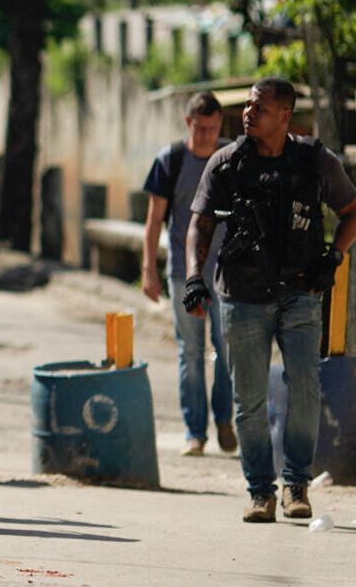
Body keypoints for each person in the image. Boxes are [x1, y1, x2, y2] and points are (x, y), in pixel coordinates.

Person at [185, 77, 356, 523]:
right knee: (248, 399)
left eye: (259, 108)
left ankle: (296, 484)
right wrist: (193, 276)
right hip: (241, 298)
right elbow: (200, 225)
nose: (248, 113)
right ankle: (260, 492)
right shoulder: (227, 163)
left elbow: (353, 212)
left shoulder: (315, 161)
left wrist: (334, 258)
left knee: (304, 388)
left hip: (301, 293)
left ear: (284, 116)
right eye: (247, 105)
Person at [141, 92, 235, 456]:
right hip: (184, 272)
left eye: (213, 129)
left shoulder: (231, 158)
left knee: (227, 351)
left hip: (227, 274)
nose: (207, 136)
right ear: (188, 123)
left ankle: (225, 419)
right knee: (191, 352)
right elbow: (153, 221)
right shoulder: (171, 160)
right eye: (201, 128)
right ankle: (195, 430)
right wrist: (149, 271)